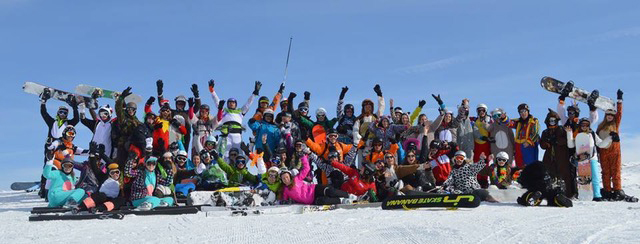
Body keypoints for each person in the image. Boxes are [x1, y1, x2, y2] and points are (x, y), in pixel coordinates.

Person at [596, 90, 637, 202]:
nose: (610, 116)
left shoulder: (615, 125)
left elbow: (619, 114)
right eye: (608, 115)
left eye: (611, 115)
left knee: (616, 171)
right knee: (605, 172)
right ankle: (607, 190)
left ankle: (617, 190)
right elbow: (597, 140)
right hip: (604, 152)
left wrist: (619, 100)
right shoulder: (600, 127)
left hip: (614, 152)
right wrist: (597, 153)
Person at [38, 89, 80, 197]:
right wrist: (43, 102)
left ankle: (63, 185)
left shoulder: (69, 123)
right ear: (58, 113)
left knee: (64, 166)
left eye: (65, 113)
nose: (62, 114)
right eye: (60, 112)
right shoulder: (52, 122)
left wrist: (74, 107)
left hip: (64, 147)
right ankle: (43, 188)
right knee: (48, 166)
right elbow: (44, 113)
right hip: (52, 146)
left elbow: (77, 119)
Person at [210, 80, 262, 155]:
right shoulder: (224, 111)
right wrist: (212, 91)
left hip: (237, 135)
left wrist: (254, 94)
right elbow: (217, 101)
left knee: (239, 154)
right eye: (229, 102)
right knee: (225, 154)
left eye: (233, 103)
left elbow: (248, 104)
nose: (231, 104)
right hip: (227, 135)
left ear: (236, 104)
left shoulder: (240, 112)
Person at [281, 155, 357, 205]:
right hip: (311, 200)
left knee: (329, 191)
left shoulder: (297, 179)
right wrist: (284, 201)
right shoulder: (285, 190)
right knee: (323, 201)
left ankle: (349, 195)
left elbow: (306, 168)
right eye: (283, 178)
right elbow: (284, 200)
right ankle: (341, 201)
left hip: (314, 189)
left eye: (287, 177)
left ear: (290, 176)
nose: (286, 179)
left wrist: (303, 157)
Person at [565, 118, 611, 201]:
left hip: (592, 158)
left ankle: (597, 195)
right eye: (582, 125)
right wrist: (569, 133)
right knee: (583, 178)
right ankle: (584, 194)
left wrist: (610, 138)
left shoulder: (592, 134)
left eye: (586, 125)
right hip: (581, 161)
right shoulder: (578, 135)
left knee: (595, 177)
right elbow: (571, 145)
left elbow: (601, 144)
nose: (584, 126)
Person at [76, 142, 126, 212]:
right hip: (100, 199)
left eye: (117, 172)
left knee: (121, 199)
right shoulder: (103, 177)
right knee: (101, 195)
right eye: (112, 173)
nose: (115, 174)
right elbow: (94, 167)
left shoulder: (121, 181)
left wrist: (102, 155)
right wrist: (92, 155)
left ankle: (98, 209)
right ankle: (80, 207)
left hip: (110, 203)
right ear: (109, 174)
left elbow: (112, 164)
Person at [539, 108, 575, 198]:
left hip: (561, 156)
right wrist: (546, 143)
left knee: (564, 175)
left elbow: (566, 140)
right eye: (550, 120)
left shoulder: (561, 129)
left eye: (554, 120)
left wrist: (557, 141)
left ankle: (567, 194)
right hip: (549, 157)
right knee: (549, 175)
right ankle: (549, 194)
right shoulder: (545, 132)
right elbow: (542, 144)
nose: (552, 122)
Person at [510, 103, 540, 168]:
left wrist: (529, 142)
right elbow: (509, 123)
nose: (523, 113)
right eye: (521, 112)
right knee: (519, 165)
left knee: (530, 166)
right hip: (518, 146)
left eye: (525, 111)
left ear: (528, 112)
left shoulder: (533, 121)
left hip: (528, 146)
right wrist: (503, 117)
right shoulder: (518, 122)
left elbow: (536, 133)